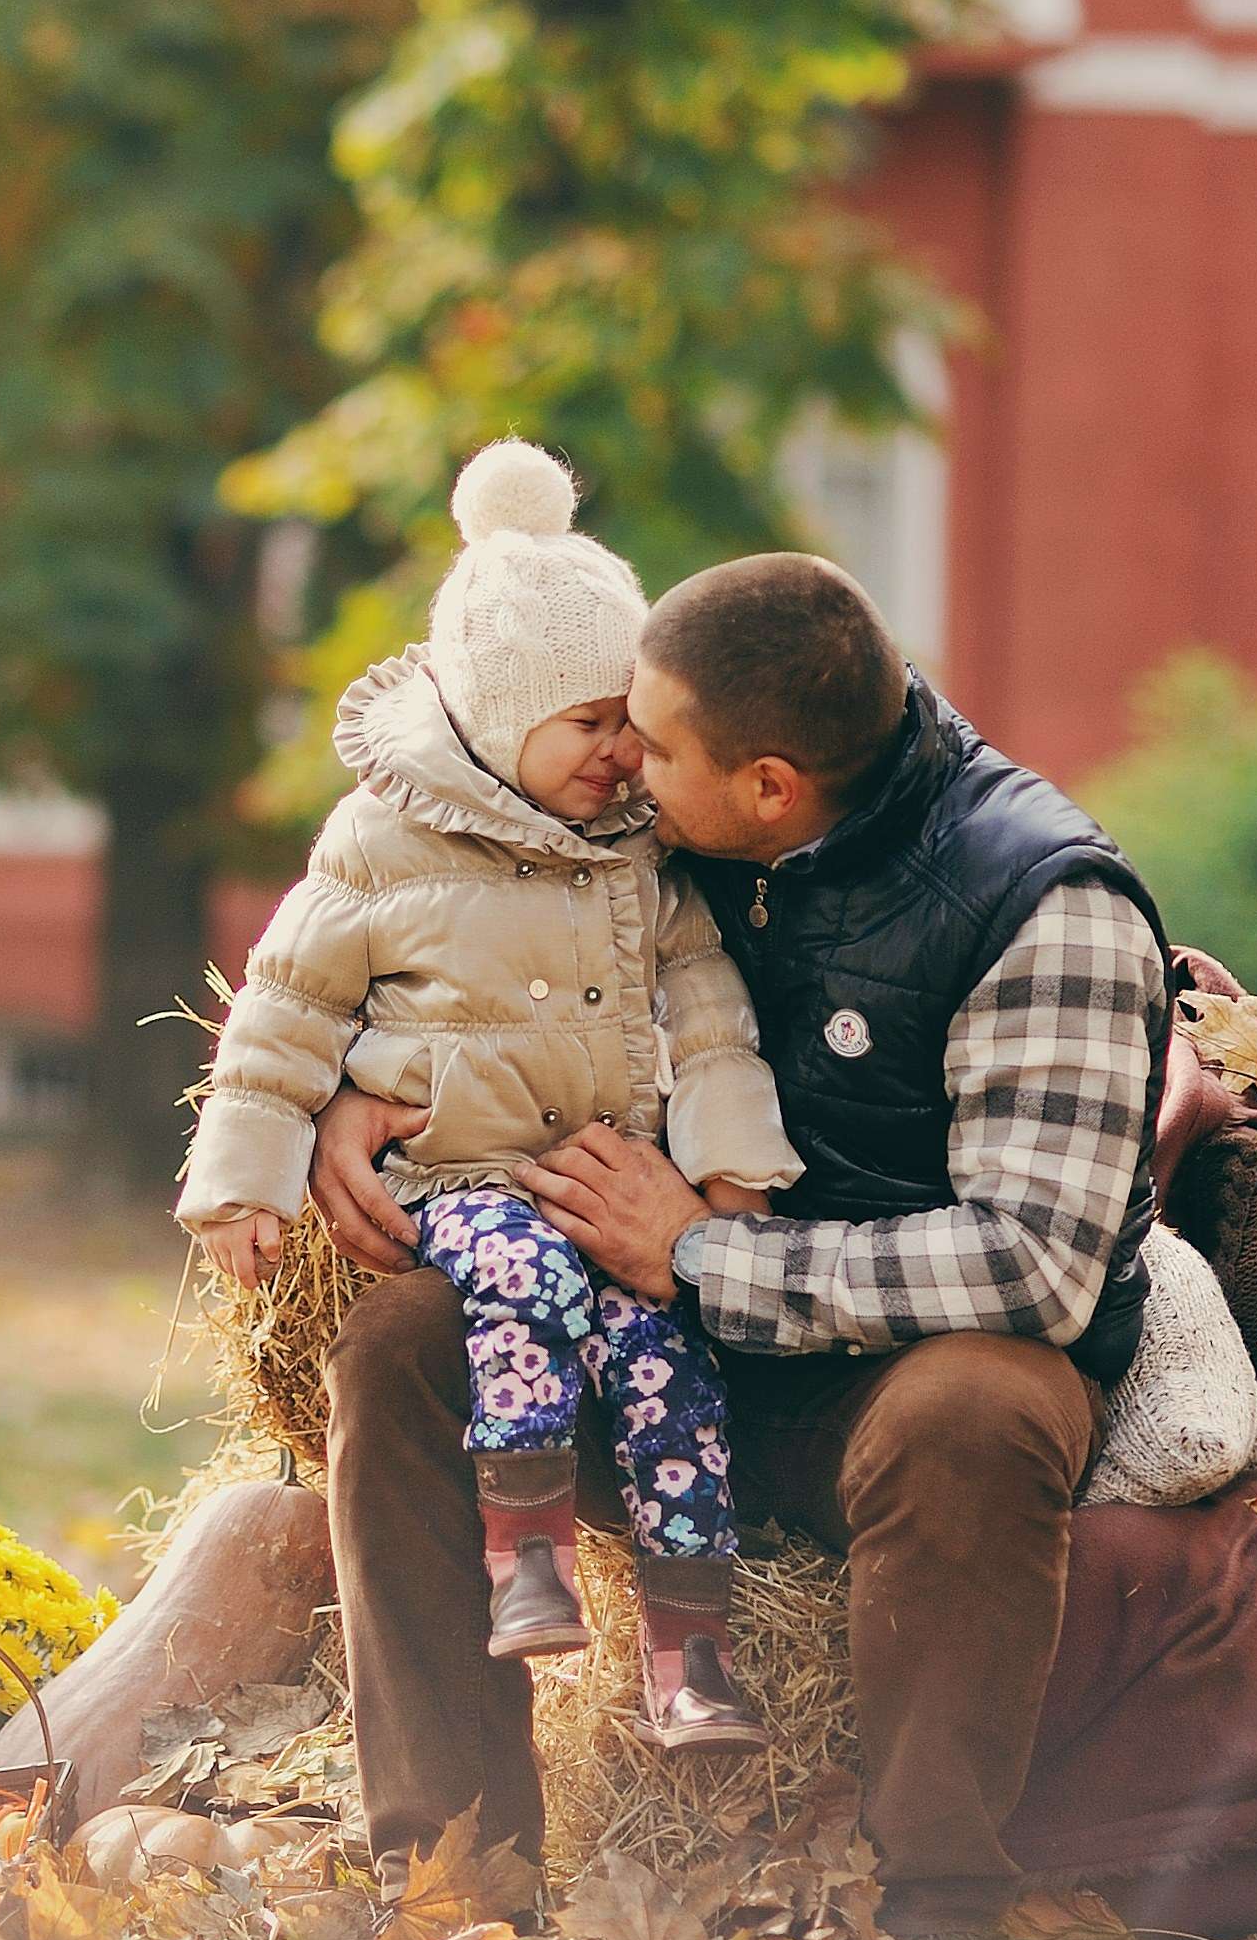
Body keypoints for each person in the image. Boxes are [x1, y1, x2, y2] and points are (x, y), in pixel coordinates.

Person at [306, 549, 1171, 1940]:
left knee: (980, 1407)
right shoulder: (661, 830)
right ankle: (455, 1876)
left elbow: (1038, 1267)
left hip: (888, 1377)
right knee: (404, 1342)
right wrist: (362, 1090)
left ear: (770, 785)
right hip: (651, 1346)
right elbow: (438, 942)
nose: (621, 765)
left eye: (652, 744)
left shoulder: (1042, 901)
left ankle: (933, 1911)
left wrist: (706, 1258)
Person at [177, 442, 802, 1751]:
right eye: (590, 725)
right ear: (496, 718)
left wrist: (736, 1176)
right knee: (527, 1283)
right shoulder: (382, 837)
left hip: (607, 1195)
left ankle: (690, 1653)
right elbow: (284, 1009)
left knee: (666, 1371)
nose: (624, 756)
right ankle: (526, 1553)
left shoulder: (641, 855)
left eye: (633, 723)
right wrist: (240, 1180)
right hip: (463, 1186)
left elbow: (714, 1019)